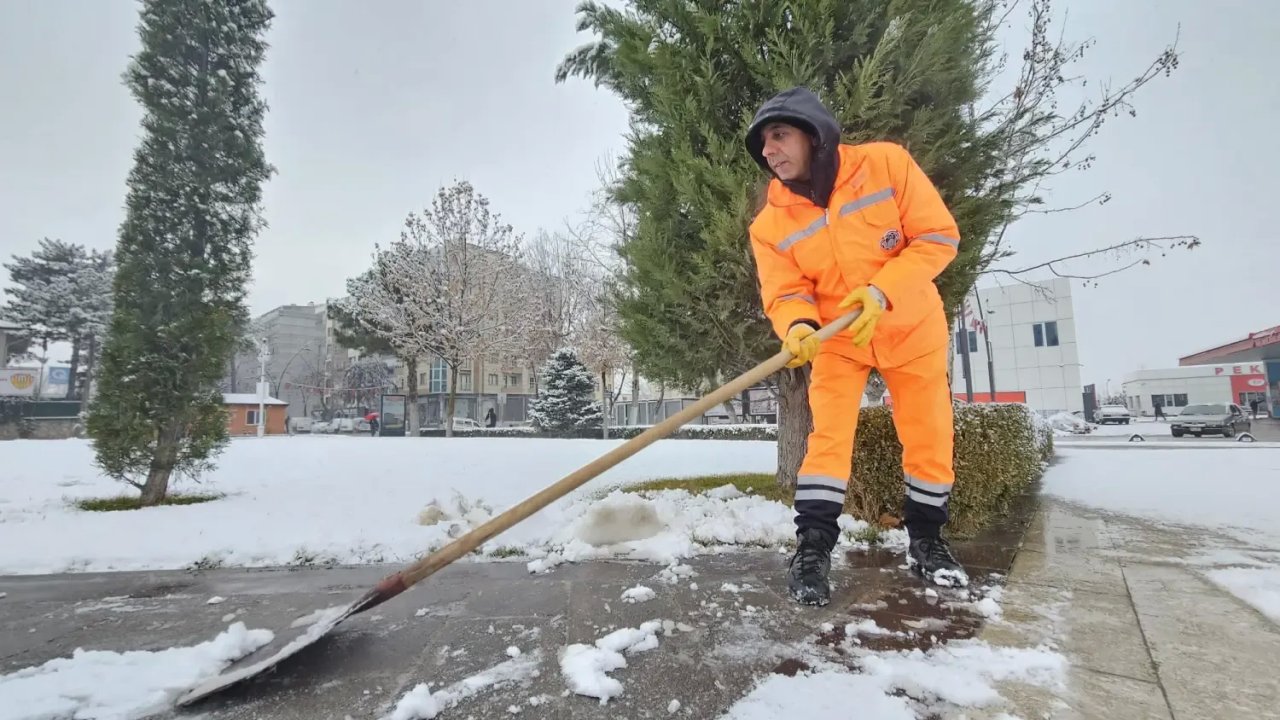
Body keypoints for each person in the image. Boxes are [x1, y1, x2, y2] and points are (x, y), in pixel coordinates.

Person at [744, 87, 967, 605]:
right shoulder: (770, 224)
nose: (770, 150)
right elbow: (786, 290)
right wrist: (798, 325)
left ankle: (928, 542)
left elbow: (938, 236)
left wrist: (881, 291)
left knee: (929, 433)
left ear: (813, 134)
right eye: (762, 144)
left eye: (779, 135)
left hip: (910, 326)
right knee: (828, 441)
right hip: (838, 340)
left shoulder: (887, 165)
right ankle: (814, 547)